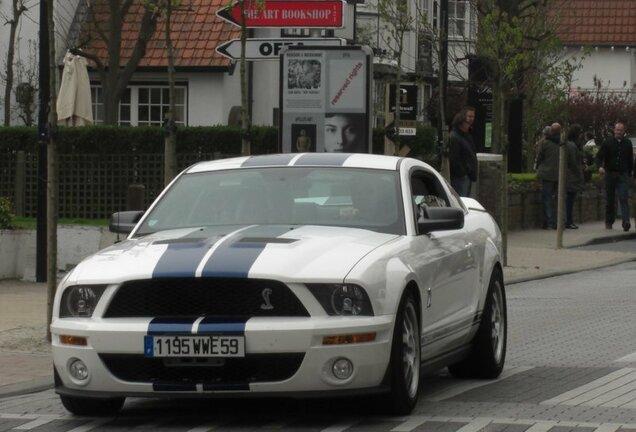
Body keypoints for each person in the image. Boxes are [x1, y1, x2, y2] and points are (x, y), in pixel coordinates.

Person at [597, 121, 634, 231]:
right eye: (617, 130)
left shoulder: (627, 143)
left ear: (624, 131)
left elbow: (630, 159)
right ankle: (609, 222)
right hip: (610, 174)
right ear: (614, 130)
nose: (618, 132)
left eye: (620, 130)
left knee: (623, 198)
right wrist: (600, 166)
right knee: (610, 200)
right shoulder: (607, 142)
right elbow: (599, 156)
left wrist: (631, 173)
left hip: (623, 175)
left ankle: (626, 221)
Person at [535, 122, 561, 229]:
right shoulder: (562, 143)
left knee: (547, 199)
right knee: (558, 199)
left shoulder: (545, 143)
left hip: (547, 174)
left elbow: (540, 157)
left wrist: (537, 167)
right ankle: (558, 222)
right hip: (559, 174)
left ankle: (549, 222)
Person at [449, 106, 477, 196]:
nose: (471, 119)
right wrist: (463, 173)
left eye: (473, 116)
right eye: (469, 117)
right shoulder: (454, 137)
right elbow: (454, 158)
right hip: (460, 178)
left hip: (467, 176)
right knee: (461, 201)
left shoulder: (468, 136)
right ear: (461, 119)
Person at [564, 124, 584, 229]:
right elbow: (573, 162)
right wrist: (578, 172)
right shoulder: (572, 145)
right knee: (569, 200)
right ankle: (568, 221)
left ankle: (569, 220)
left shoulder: (574, 144)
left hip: (571, 176)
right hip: (571, 177)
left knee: (570, 200)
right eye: (580, 133)